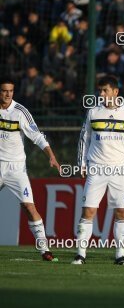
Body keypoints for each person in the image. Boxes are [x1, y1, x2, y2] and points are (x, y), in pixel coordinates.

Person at [72, 75, 124, 266]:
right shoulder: (93, 112)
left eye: (105, 90)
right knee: (89, 211)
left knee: (122, 212)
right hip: (96, 168)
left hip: (120, 170)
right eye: (100, 91)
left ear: (115, 92)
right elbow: (84, 138)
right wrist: (81, 163)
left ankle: (120, 256)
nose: (101, 94)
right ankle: (80, 255)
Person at [0, 79, 60, 262]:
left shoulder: (20, 112)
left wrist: (51, 155)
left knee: (28, 206)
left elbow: (37, 136)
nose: (8, 94)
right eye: (4, 91)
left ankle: (44, 250)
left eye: (11, 90)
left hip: (16, 168)